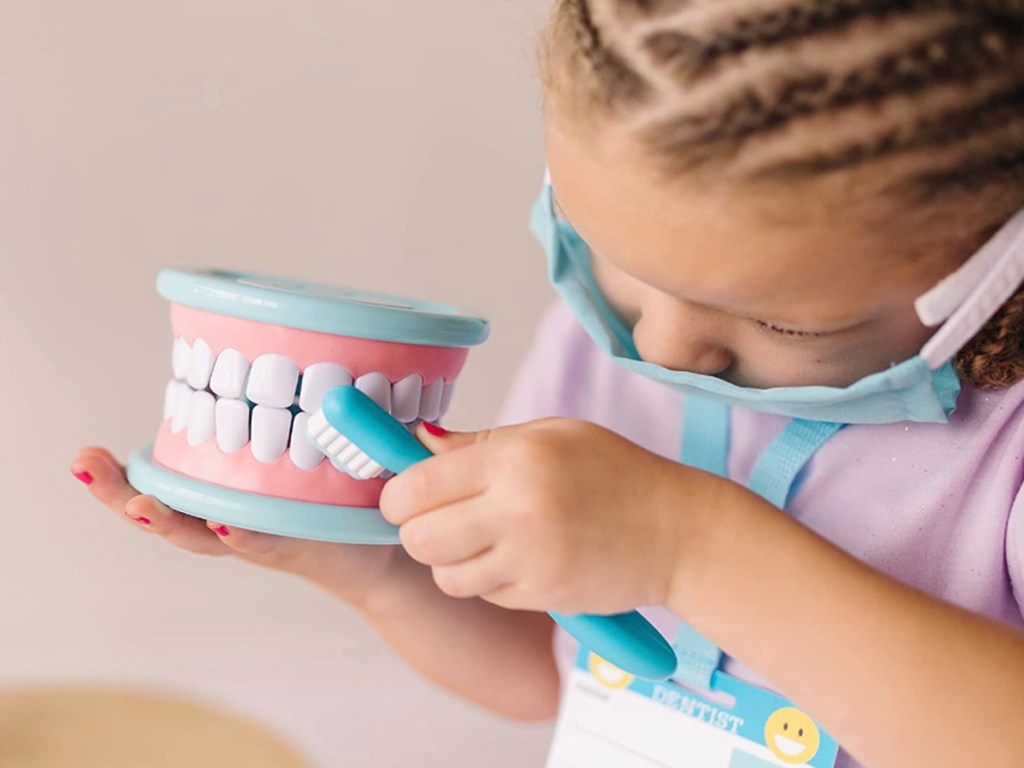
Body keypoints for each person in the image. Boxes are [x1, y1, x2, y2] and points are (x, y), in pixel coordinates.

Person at [71, 2, 1024, 766]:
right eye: (618, 261)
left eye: (786, 324)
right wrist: (368, 567)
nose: (661, 345)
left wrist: (693, 548)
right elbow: (555, 667)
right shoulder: (599, 343)